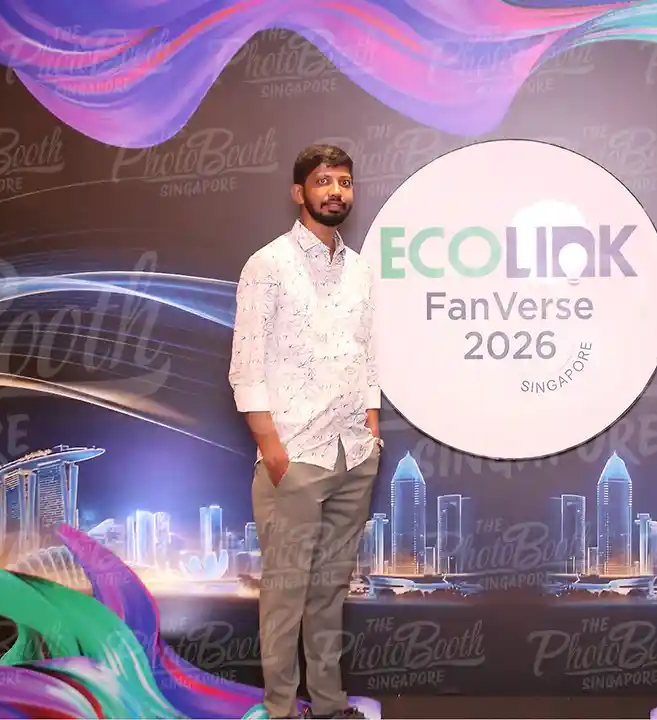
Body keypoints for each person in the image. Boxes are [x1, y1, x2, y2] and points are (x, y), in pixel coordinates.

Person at [229, 144, 381, 719]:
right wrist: (272, 448)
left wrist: (371, 425)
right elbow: (245, 365)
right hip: (295, 456)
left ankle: (330, 705)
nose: (335, 191)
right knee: (284, 596)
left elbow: (366, 353)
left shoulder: (361, 269)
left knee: (330, 591)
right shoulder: (267, 265)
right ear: (300, 192)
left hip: (353, 454)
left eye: (344, 181)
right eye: (323, 181)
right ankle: (279, 709)